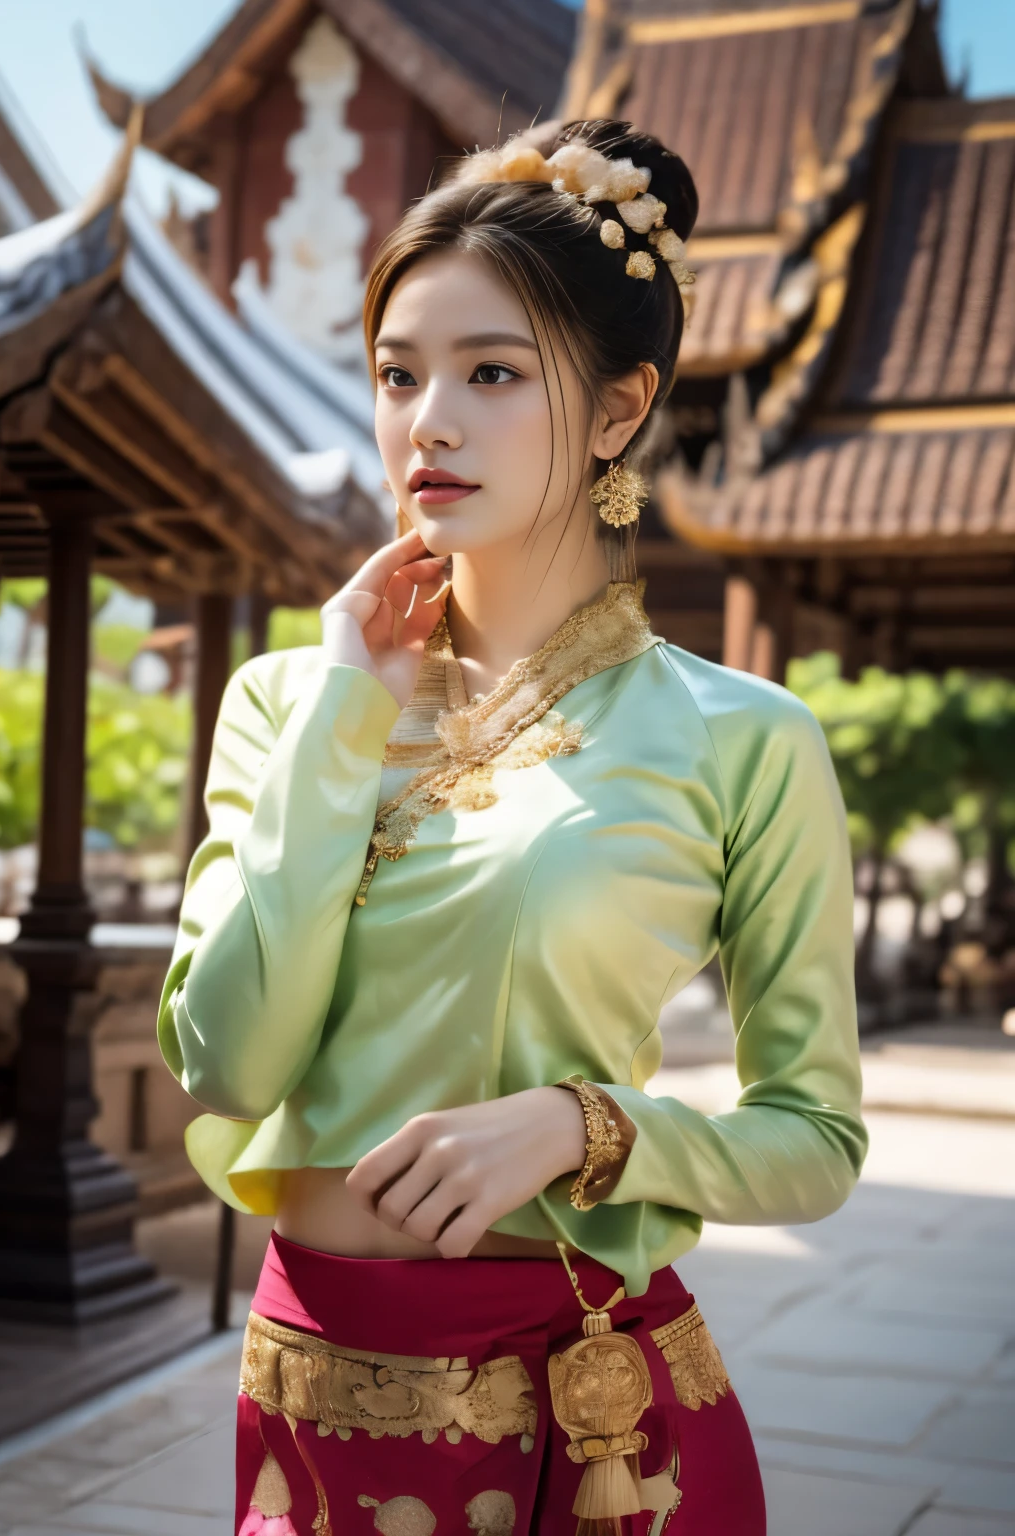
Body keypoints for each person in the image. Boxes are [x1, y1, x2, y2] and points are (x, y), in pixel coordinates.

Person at [159, 119, 866, 1536]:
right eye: (398, 373)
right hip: (307, 1399)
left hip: (587, 1412)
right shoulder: (290, 701)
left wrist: (582, 1127)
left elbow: (815, 1138)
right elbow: (231, 1058)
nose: (429, 420)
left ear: (616, 410)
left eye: (492, 373)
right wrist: (344, 718)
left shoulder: (747, 740)